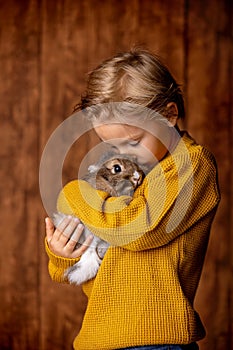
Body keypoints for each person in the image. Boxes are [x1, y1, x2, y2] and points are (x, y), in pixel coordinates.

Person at [45, 49, 220, 350]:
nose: (121, 152)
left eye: (133, 141)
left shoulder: (190, 164)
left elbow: (136, 229)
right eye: (107, 143)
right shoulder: (122, 170)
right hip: (98, 335)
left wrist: (75, 194)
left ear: (169, 115)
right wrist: (65, 252)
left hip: (154, 339)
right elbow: (91, 249)